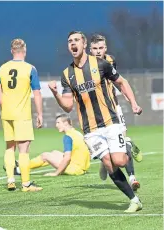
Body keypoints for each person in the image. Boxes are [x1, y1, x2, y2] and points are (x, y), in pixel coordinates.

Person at [48, 31, 142, 213]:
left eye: (76, 40)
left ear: (84, 44)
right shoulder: (67, 74)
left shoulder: (100, 64)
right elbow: (67, 106)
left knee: (119, 161)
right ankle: (134, 200)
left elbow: (122, 83)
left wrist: (134, 103)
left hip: (110, 121)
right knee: (108, 163)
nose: (72, 43)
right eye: (69, 41)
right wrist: (56, 94)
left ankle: (128, 145)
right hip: (90, 129)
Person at [90, 34, 141, 191]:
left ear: (105, 48)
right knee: (108, 147)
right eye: (95, 48)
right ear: (90, 49)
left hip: (113, 108)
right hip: (95, 113)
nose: (98, 51)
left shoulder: (110, 61)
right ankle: (105, 163)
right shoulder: (84, 65)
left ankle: (132, 178)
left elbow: (117, 81)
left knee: (122, 140)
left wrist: (131, 100)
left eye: (101, 48)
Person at [0, 38, 43, 192]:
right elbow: (37, 93)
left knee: (9, 147)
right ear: (25, 50)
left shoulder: (2, 68)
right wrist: (40, 114)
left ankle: (10, 180)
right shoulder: (30, 68)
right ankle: (26, 184)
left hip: (7, 113)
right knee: (24, 149)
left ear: (11, 51)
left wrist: (5, 106)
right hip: (22, 114)